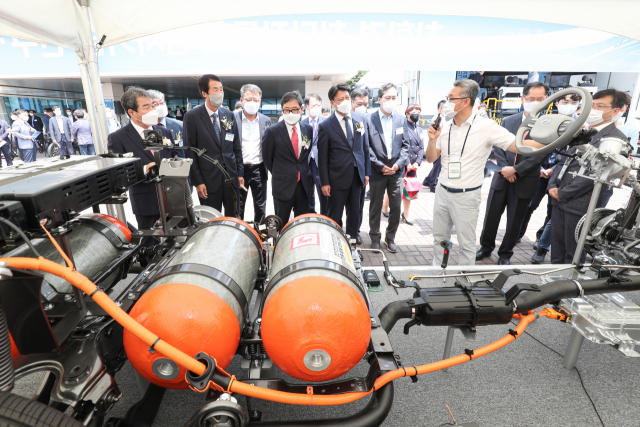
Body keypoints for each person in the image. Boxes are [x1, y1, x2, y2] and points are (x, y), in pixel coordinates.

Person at [425, 79, 543, 266]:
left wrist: (554, 140)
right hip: (442, 191)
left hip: (466, 195)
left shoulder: (486, 127)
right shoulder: (444, 127)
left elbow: (518, 146)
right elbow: (430, 158)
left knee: (466, 243)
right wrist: (432, 139)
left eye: (450, 98)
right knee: (439, 238)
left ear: (465, 101)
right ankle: (438, 271)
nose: (446, 104)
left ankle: (465, 279)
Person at [547, 88, 628, 264]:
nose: (593, 110)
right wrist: (552, 185)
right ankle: (553, 284)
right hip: (558, 197)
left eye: (600, 106)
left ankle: (569, 287)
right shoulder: (580, 130)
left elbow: (597, 173)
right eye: (591, 105)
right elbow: (562, 160)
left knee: (573, 251)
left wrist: (564, 193)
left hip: (580, 203)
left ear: (615, 111)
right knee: (557, 247)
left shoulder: (616, 139)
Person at [477, 82, 550, 265]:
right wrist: (506, 168)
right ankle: (486, 248)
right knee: (491, 216)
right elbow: (498, 145)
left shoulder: (548, 125)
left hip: (525, 180)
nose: (535, 102)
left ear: (547, 100)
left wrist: (516, 170)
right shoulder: (509, 121)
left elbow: (541, 154)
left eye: (540, 99)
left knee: (515, 221)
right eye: (531, 99)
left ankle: (505, 254)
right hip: (502, 178)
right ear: (523, 99)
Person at [107, 87, 177, 246]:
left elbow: (175, 157)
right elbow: (117, 174)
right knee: (149, 246)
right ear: (132, 112)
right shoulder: (118, 138)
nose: (153, 110)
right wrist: (145, 169)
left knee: (175, 244)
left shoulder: (164, 132)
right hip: (146, 200)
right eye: (146, 107)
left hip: (172, 198)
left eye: (153, 105)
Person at [520, 93, 580, 249]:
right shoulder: (546, 121)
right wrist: (539, 167)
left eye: (573, 102)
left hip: (560, 176)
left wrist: (553, 170)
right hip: (539, 173)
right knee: (529, 205)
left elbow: (574, 155)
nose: (569, 104)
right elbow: (534, 146)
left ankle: (541, 238)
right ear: (557, 103)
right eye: (565, 101)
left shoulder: (580, 127)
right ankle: (518, 234)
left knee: (552, 210)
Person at [183, 74, 243, 216]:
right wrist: (198, 182)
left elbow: (236, 146)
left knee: (233, 217)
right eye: (215, 90)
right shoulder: (192, 116)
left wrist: (240, 173)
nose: (220, 93)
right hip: (208, 180)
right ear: (204, 93)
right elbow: (190, 152)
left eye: (221, 89)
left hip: (231, 177)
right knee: (211, 219)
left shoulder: (228, 114)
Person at [317, 83, 370, 241]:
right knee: (335, 215)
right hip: (336, 179)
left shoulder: (360, 119)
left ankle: (352, 245)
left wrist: (367, 172)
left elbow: (364, 147)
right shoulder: (325, 126)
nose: (346, 101)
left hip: (357, 176)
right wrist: (324, 182)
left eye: (347, 97)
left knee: (355, 214)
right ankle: (335, 245)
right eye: (341, 99)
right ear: (333, 103)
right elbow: (323, 157)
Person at [364, 83, 408, 252]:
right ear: (380, 99)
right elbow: (366, 147)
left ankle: (390, 237)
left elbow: (406, 146)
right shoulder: (369, 120)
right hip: (377, 170)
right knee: (375, 205)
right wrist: (380, 165)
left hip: (396, 171)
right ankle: (375, 237)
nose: (391, 101)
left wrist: (397, 165)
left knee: (396, 206)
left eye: (394, 98)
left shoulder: (401, 119)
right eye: (387, 97)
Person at [263, 91, 313, 223]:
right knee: (281, 223)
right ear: (282, 110)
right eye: (287, 110)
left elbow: (306, 154)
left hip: (303, 185)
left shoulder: (308, 129)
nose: (290, 113)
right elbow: (267, 158)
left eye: (294, 109)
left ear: (301, 109)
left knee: (302, 223)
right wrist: (281, 172)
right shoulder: (272, 131)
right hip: (282, 185)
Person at [234, 84, 271, 223]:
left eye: (256, 100)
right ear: (242, 100)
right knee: (239, 206)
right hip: (240, 170)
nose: (252, 103)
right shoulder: (233, 119)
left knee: (260, 206)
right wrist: (237, 171)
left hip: (259, 169)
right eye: (249, 99)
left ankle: (260, 235)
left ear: (260, 101)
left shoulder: (265, 121)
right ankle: (238, 233)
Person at [301, 93, 327, 215]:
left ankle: (324, 217)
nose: (316, 107)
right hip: (306, 163)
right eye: (313, 105)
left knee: (323, 194)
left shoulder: (326, 122)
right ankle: (310, 215)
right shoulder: (302, 123)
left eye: (318, 105)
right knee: (308, 193)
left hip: (320, 164)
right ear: (307, 107)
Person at [351, 88, 371, 244]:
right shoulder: (343, 119)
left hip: (360, 171)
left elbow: (366, 148)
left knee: (358, 206)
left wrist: (366, 172)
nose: (363, 106)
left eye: (365, 103)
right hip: (342, 172)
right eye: (359, 103)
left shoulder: (364, 120)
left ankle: (355, 231)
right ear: (352, 103)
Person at [399, 103, 424, 225]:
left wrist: (418, 162)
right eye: (414, 112)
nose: (416, 115)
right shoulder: (403, 127)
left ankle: (406, 214)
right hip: (403, 162)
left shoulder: (419, 129)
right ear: (407, 113)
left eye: (418, 113)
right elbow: (402, 146)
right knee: (395, 188)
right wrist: (407, 163)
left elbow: (421, 148)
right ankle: (385, 206)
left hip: (413, 165)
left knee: (408, 190)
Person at [423, 100, 446, 192]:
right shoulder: (437, 118)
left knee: (437, 165)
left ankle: (428, 180)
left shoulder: (442, 118)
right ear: (440, 109)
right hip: (436, 145)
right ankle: (433, 184)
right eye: (445, 108)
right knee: (437, 165)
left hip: (439, 145)